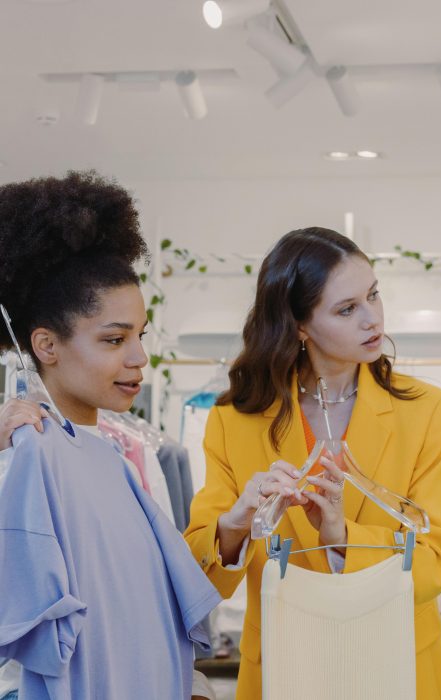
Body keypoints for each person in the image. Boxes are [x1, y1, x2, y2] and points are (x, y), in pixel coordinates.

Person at [184, 227, 441, 699]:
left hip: (398, 666)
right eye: (347, 309)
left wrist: (341, 538)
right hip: (283, 667)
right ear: (299, 325)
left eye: (373, 296)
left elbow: (438, 560)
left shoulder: (430, 411)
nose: (372, 318)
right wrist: (235, 524)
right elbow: (204, 577)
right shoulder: (233, 420)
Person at [0, 171, 219, 700]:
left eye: (139, 336)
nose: (139, 358)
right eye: (114, 339)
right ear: (47, 346)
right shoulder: (28, 460)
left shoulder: (115, 463)